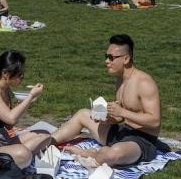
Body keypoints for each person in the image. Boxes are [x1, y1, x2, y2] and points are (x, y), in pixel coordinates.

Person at [50, 34, 162, 166]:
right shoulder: (120, 79)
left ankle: (91, 154)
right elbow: (122, 118)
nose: (106, 61)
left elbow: (154, 121)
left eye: (111, 58)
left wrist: (122, 113)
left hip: (142, 140)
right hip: (122, 132)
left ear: (126, 59)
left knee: (114, 153)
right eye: (106, 57)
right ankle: (47, 142)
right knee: (83, 114)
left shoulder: (144, 82)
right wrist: (108, 118)